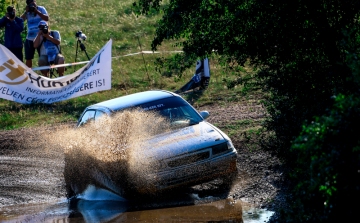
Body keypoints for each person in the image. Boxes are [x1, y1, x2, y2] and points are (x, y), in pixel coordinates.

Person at [21, 0, 48, 68]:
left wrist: (37, 12)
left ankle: (45, 75)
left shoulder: (41, 9)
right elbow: (20, 20)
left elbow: (46, 18)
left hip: (41, 37)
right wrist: (26, 12)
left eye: (33, 2)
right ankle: (29, 74)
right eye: (30, 3)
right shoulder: (28, 12)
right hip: (30, 38)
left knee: (43, 58)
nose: (32, 4)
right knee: (28, 58)